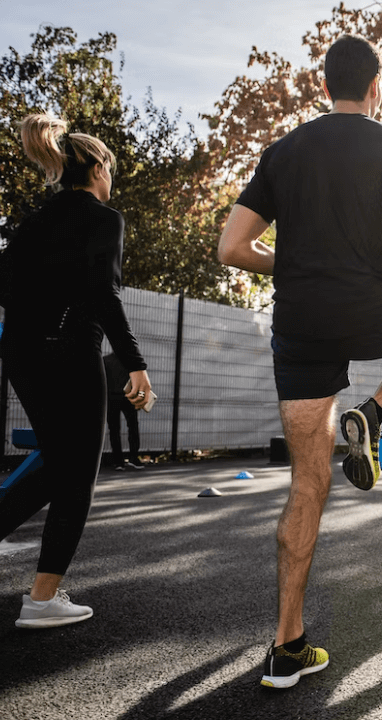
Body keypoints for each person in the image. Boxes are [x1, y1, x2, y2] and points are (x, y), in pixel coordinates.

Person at [217, 34, 382, 689]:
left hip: (301, 324)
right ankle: (373, 410)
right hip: (371, 308)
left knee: (306, 486)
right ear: (375, 89)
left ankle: (287, 645)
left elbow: (232, 248)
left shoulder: (282, 152)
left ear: (324, 87)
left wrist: (290, 265)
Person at [0, 113, 152, 629]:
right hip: (70, 352)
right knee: (77, 474)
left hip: (22, 352)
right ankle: (42, 600)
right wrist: (136, 365)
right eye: (112, 171)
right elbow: (104, 295)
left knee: (56, 466)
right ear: (98, 169)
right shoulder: (104, 219)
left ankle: (42, 595)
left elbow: (4, 284)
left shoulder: (35, 221)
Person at [104, 352, 144, 470]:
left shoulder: (105, 360)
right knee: (133, 427)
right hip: (129, 398)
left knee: (114, 430)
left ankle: (118, 462)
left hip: (111, 398)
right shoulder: (130, 359)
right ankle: (133, 458)